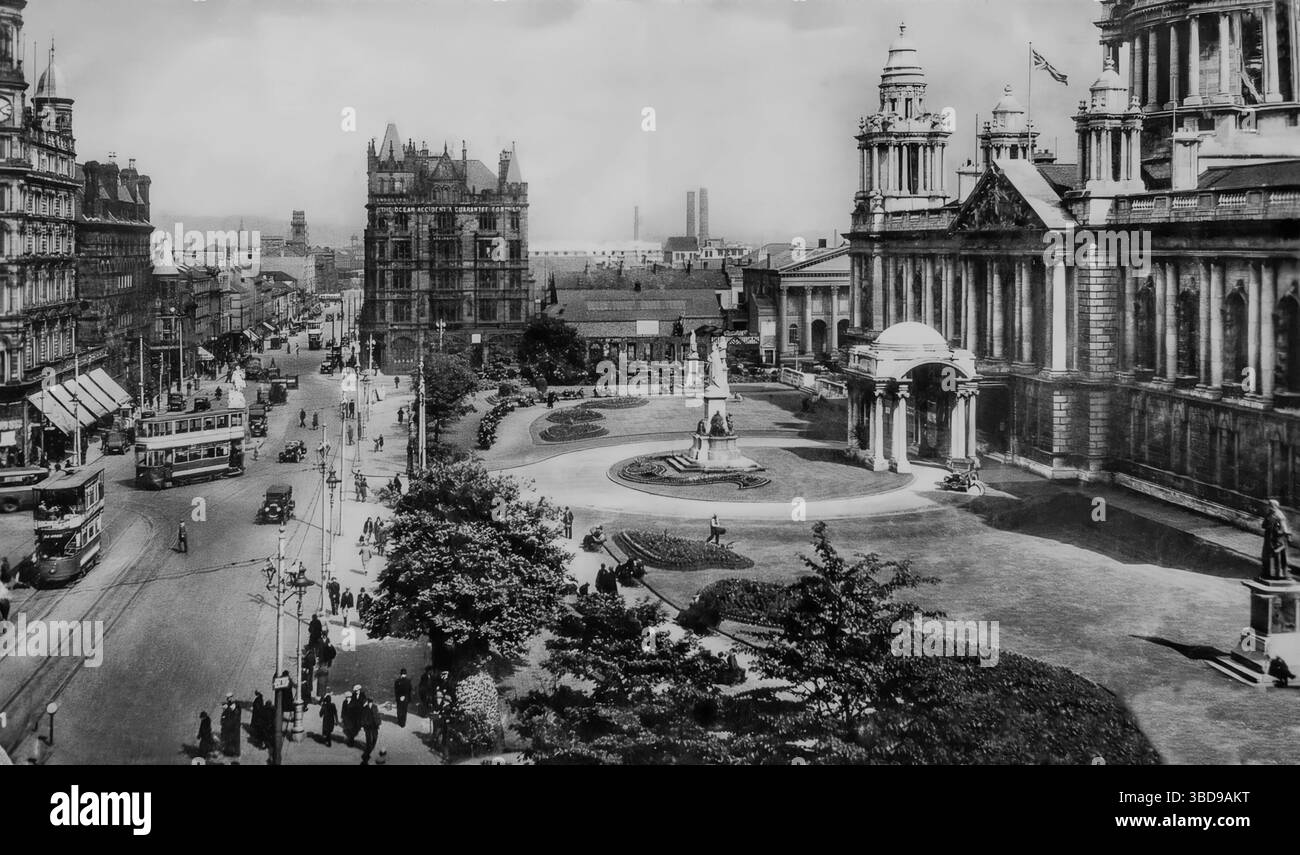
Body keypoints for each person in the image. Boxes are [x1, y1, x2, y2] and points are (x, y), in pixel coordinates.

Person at [1263, 499, 1292, 579]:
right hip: (1269, 537)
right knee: (1268, 555)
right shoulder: (1270, 514)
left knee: (1278, 555)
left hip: (1278, 538)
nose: (1268, 506)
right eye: (1269, 505)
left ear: (1274, 506)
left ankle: (1280, 574)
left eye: (1270, 505)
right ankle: (1268, 573)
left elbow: (1283, 526)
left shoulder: (1279, 514)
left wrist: (1287, 534)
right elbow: (1264, 524)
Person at [361, 692, 381, 762]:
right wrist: (363, 725)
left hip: (374, 725)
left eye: (371, 701)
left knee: (375, 737)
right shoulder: (364, 708)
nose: (370, 703)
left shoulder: (375, 707)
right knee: (368, 738)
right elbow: (362, 718)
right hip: (367, 726)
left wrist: (378, 723)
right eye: (369, 701)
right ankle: (368, 751)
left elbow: (377, 715)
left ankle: (371, 747)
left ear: (372, 702)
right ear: (367, 701)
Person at [220, 692, 241, 757]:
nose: (228, 699)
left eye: (229, 698)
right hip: (229, 726)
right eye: (228, 698)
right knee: (229, 739)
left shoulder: (236, 707)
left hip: (234, 727)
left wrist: (228, 710)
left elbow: (236, 717)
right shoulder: (229, 705)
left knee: (235, 740)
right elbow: (225, 714)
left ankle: (236, 752)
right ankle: (229, 752)